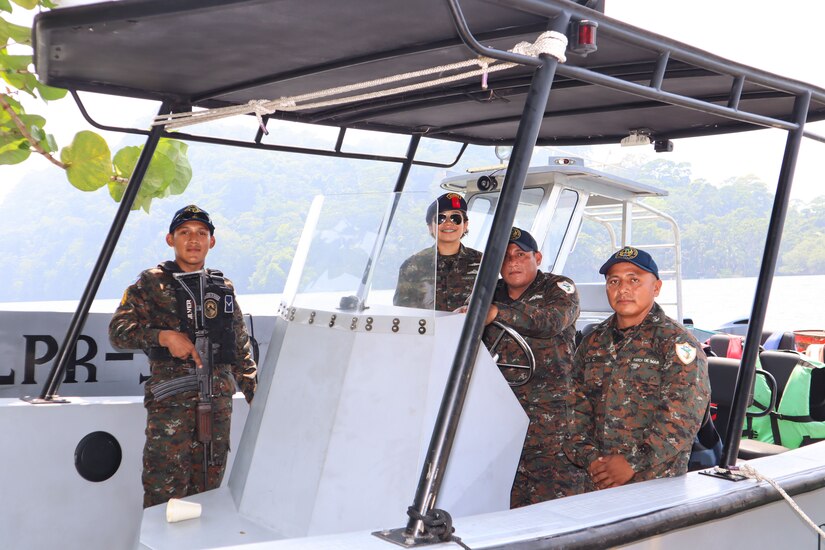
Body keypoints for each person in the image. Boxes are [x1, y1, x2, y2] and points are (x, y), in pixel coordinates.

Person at [109, 205, 257, 507]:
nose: (193, 239)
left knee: (209, 498)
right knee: (163, 498)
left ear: (211, 242)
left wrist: (261, 402)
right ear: (170, 239)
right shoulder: (150, 283)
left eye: (202, 233)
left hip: (216, 412)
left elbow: (241, 349)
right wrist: (162, 337)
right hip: (171, 414)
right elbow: (118, 331)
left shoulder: (223, 288)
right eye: (184, 233)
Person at [565, 246, 710, 492]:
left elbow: (683, 417)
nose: (623, 289)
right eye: (614, 281)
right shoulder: (592, 342)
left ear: (656, 287)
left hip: (654, 484)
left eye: (634, 279)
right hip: (594, 481)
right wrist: (591, 460)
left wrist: (632, 462)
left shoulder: (676, 343)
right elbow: (574, 408)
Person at [478, 227, 585, 506]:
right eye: (505, 257)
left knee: (556, 501)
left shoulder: (559, 288)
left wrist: (497, 313)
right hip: (499, 414)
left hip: (552, 416)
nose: (512, 262)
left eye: (521, 254)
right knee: (504, 497)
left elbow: (551, 321)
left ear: (537, 257)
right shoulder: (488, 292)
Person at [393, 192, 482, 311]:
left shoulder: (483, 263)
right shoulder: (412, 265)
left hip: (470, 330)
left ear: (465, 225)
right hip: (428, 329)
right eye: (440, 218)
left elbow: (493, 306)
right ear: (430, 226)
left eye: (455, 218)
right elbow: (402, 312)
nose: (448, 223)